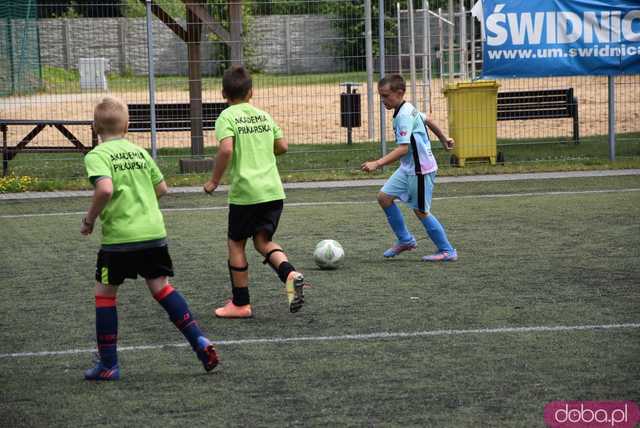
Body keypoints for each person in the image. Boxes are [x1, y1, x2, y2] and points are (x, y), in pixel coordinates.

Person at [81, 96, 218, 380]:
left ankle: (109, 365)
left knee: (105, 295)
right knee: (162, 288)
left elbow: (105, 189)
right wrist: (141, 203)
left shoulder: (97, 155)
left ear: (95, 128)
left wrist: (90, 220)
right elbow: (163, 188)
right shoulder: (140, 153)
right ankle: (198, 340)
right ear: (128, 126)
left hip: (120, 239)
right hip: (154, 234)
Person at [204, 66, 306, 319]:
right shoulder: (263, 115)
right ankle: (290, 274)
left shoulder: (226, 117)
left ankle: (241, 304)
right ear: (251, 92)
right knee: (263, 241)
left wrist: (214, 181)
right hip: (272, 191)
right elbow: (282, 146)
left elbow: (226, 150)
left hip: (247, 193)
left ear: (223, 93)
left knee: (236, 243)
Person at [361, 74, 457, 262]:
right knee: (384, 198)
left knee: (421, 211)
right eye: (380, 96)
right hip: (408, 168)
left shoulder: (404, 114)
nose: (383, 100)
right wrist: (444, 139)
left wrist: (377, 163)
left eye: (386, 96)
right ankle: (405, 240)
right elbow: (428, 120)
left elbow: (403, 148)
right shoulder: (406, 107)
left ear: (400, 92)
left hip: (421, 170)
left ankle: (447, 250)